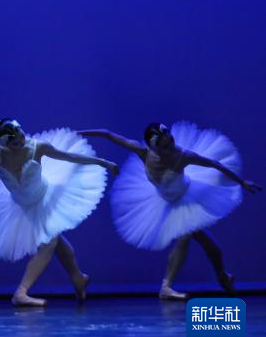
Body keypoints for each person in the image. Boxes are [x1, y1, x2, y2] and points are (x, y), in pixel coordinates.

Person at [80, 122, 260, 299]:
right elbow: (107, 133)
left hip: (186, 198)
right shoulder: (143, 153)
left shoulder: (182, 156)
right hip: (167, 201)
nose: (171, 148)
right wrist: (80, 133)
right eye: (165, 146)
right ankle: (223, 276)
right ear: (154, 148)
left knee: (185, 236)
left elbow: (214, 164)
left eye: (171, 141)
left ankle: (166, 286)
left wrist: (242, 182)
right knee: (207, 243)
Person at [0, 119, 118, 306]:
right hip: (22, 205)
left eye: (21, 137)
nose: (20, 143)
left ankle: (21, 292)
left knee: (50, 242)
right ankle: (78, 278)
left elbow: (69, 157)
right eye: (14, 143)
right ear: (5, 144)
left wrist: (102, 162)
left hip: (44, 199)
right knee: (56, 241)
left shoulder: (38, 147)